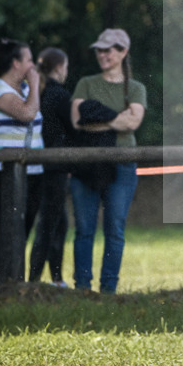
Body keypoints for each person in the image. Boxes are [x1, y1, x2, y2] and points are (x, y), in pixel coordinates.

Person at [70, 28, 146, 294]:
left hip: (122, 165)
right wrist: (116, 120)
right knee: (84, 229)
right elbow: (77, 121)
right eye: (99, 50)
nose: (102, 54)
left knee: (114, 228)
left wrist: (98, 117)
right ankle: (82, 287)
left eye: (108, 49)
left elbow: (134, 121)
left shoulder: (135, 88)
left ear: (123, 52)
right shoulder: (86, 83)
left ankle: (109, 289)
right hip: (87, 165)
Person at [0, 38, 44, 290]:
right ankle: (3, 286)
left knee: (23, 229)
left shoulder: (22, 90)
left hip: (33, 171)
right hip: (8, 173)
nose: (33, 65)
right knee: (8, 232)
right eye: (29, 60)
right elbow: (27, 113)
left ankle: (16, 284)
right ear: (15, 63)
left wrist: (30, 87)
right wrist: (35, 84)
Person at [29, 48, 73, 287]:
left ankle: (55, 277)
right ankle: (37, 277)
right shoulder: (60, 95)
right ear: (59, 68)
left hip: (41, 166)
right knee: (49, 224)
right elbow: (72, 129)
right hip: (54, 168)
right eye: (65, 67)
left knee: (57, 222)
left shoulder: (38, 93)